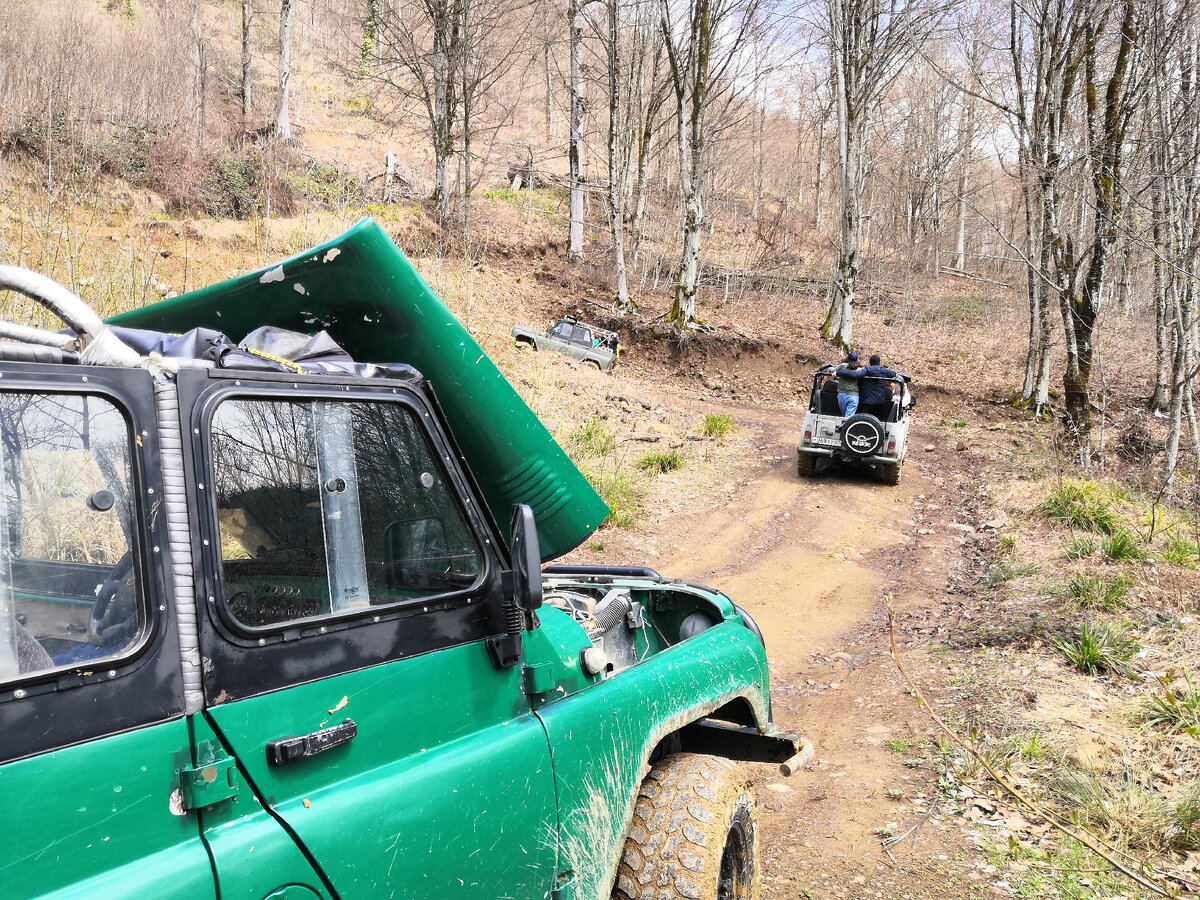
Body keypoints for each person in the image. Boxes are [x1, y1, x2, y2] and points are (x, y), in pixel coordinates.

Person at [838, 354, 906, 418]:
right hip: (879, 402)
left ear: (870, 362)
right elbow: (894, 374)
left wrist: (839, 373)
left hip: (866, 401)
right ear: (879, 362)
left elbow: (856, 375)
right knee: (876, 421)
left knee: (863, 419)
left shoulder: (867, 370)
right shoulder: (884, 370)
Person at [832, 351, 860, 417]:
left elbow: (833, 371)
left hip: (842, 394)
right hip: (854, 396)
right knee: (848, 417)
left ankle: (844, 427)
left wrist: (830, 368)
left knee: (844, 416)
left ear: (848, 359)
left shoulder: (842, 366)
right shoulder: (860, 370)